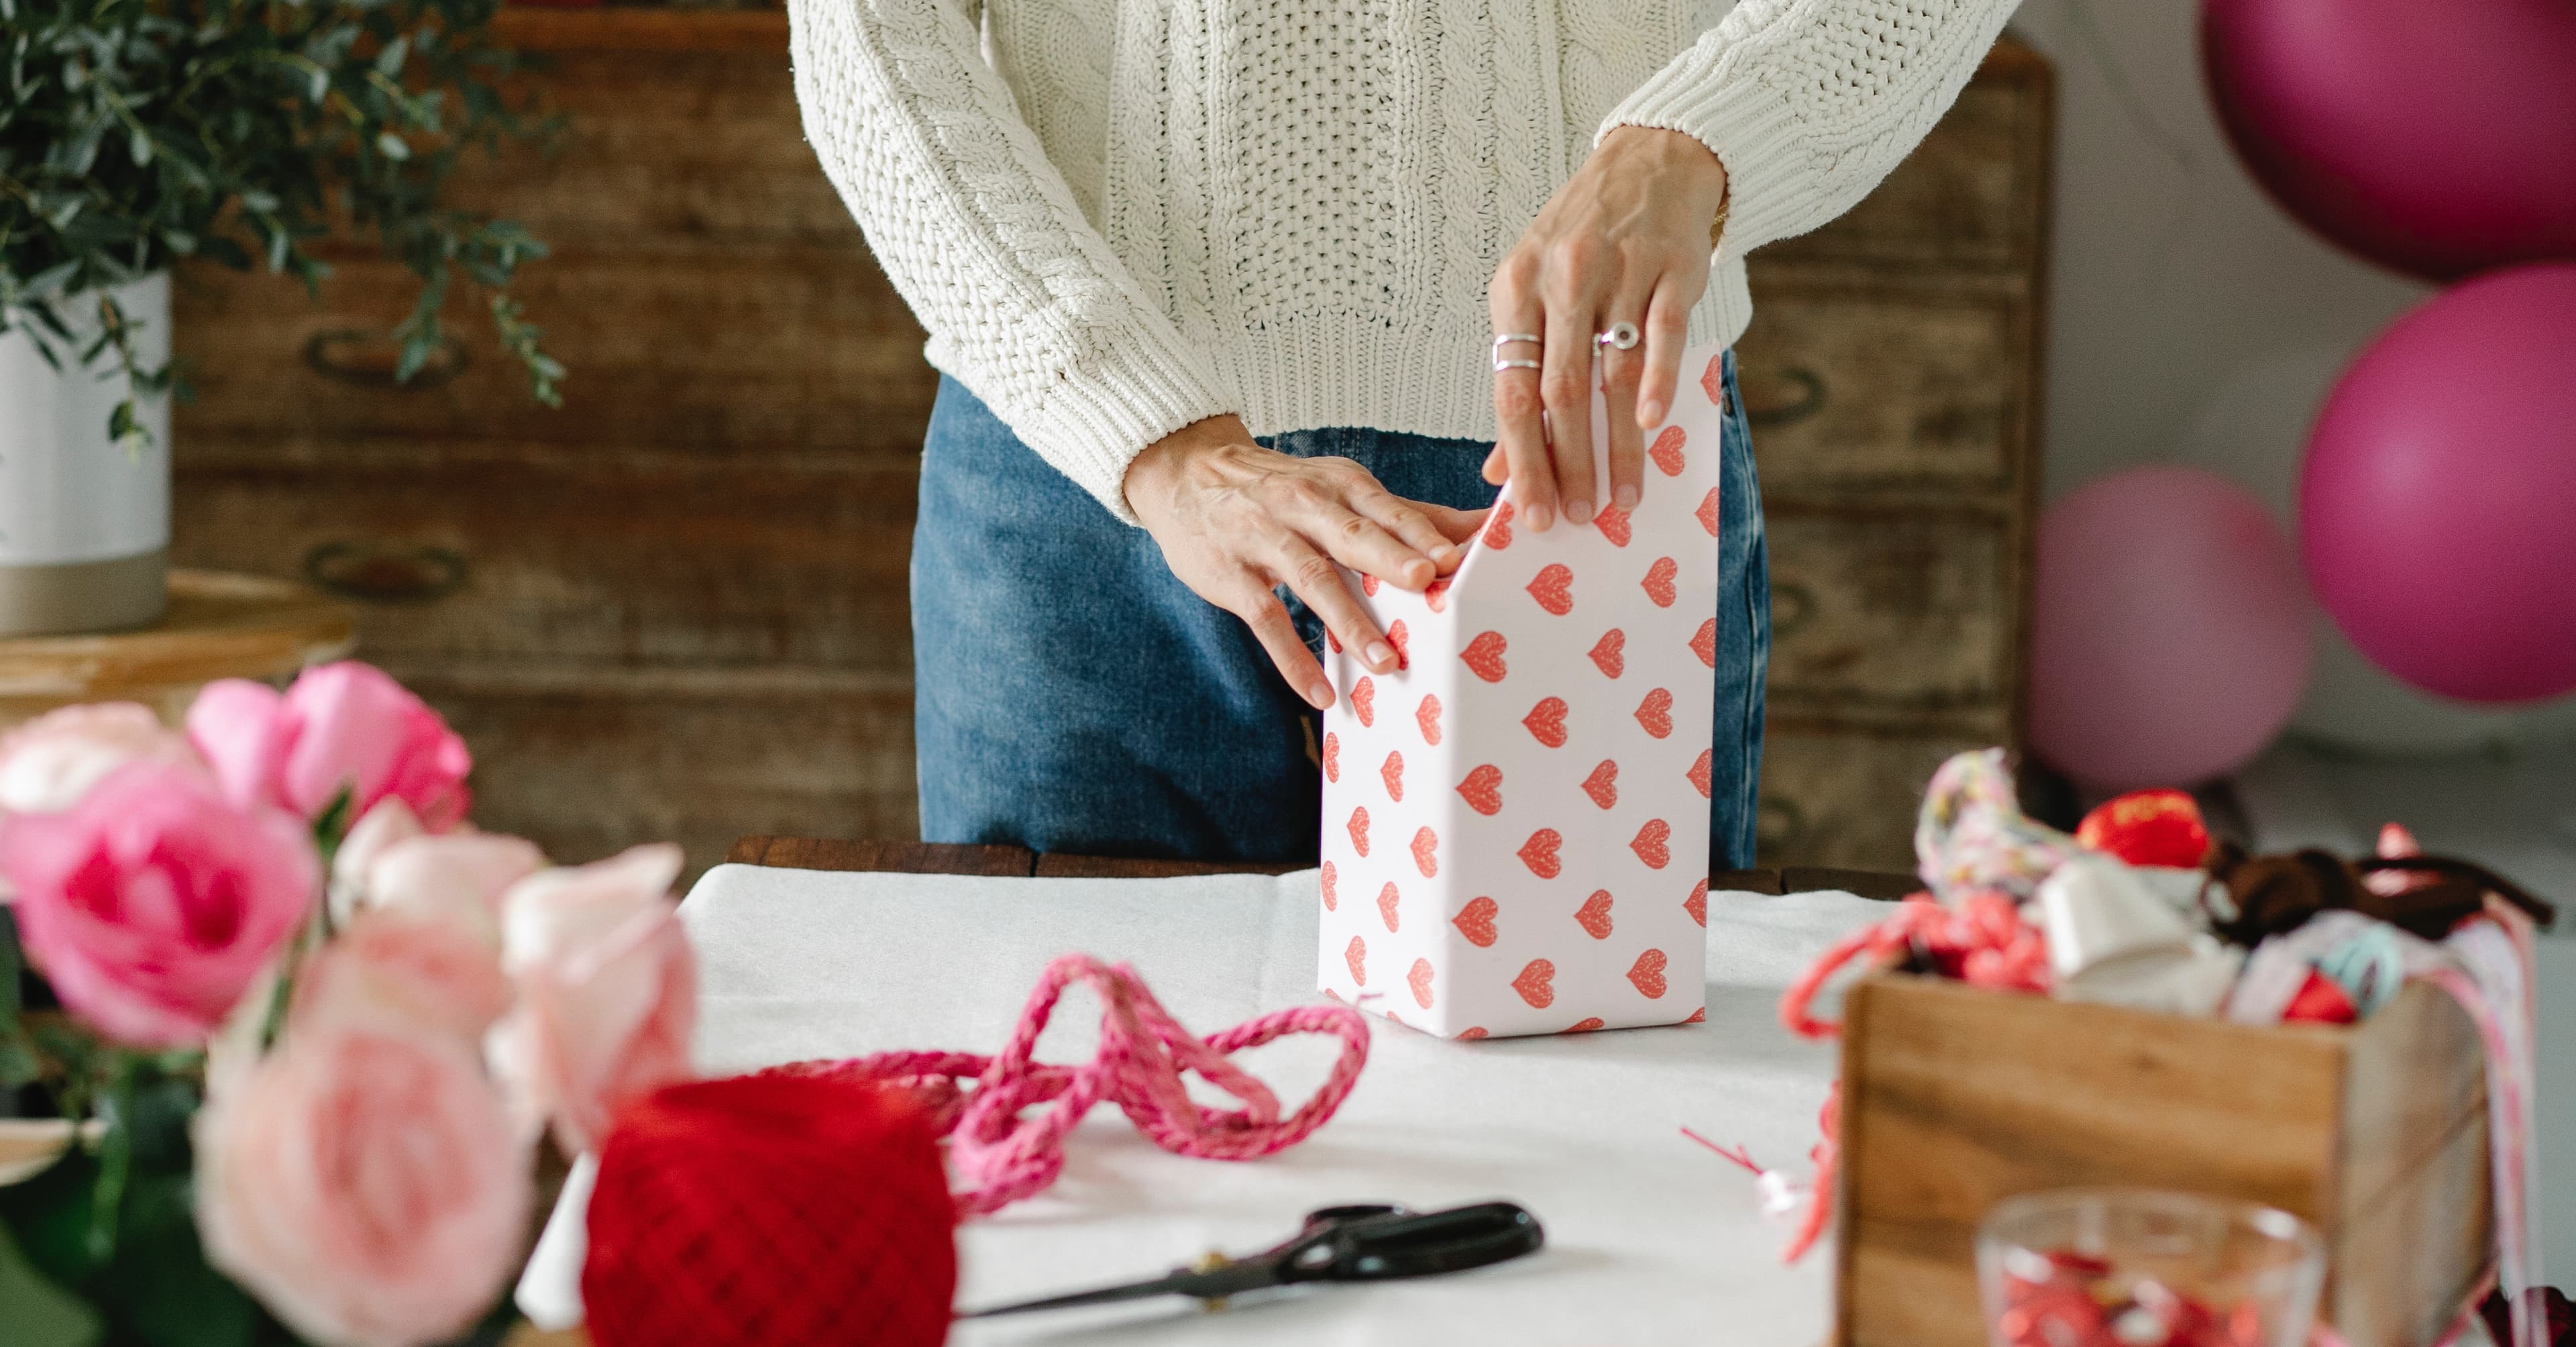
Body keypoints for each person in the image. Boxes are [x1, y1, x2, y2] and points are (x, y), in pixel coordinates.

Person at [789, 0, 2022, 867]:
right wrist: (1147, 437)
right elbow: (864, 27)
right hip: (1087, 482)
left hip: (1568, 460)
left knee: (1592, 1151)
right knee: (1084, 1154)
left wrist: (1701, 137)